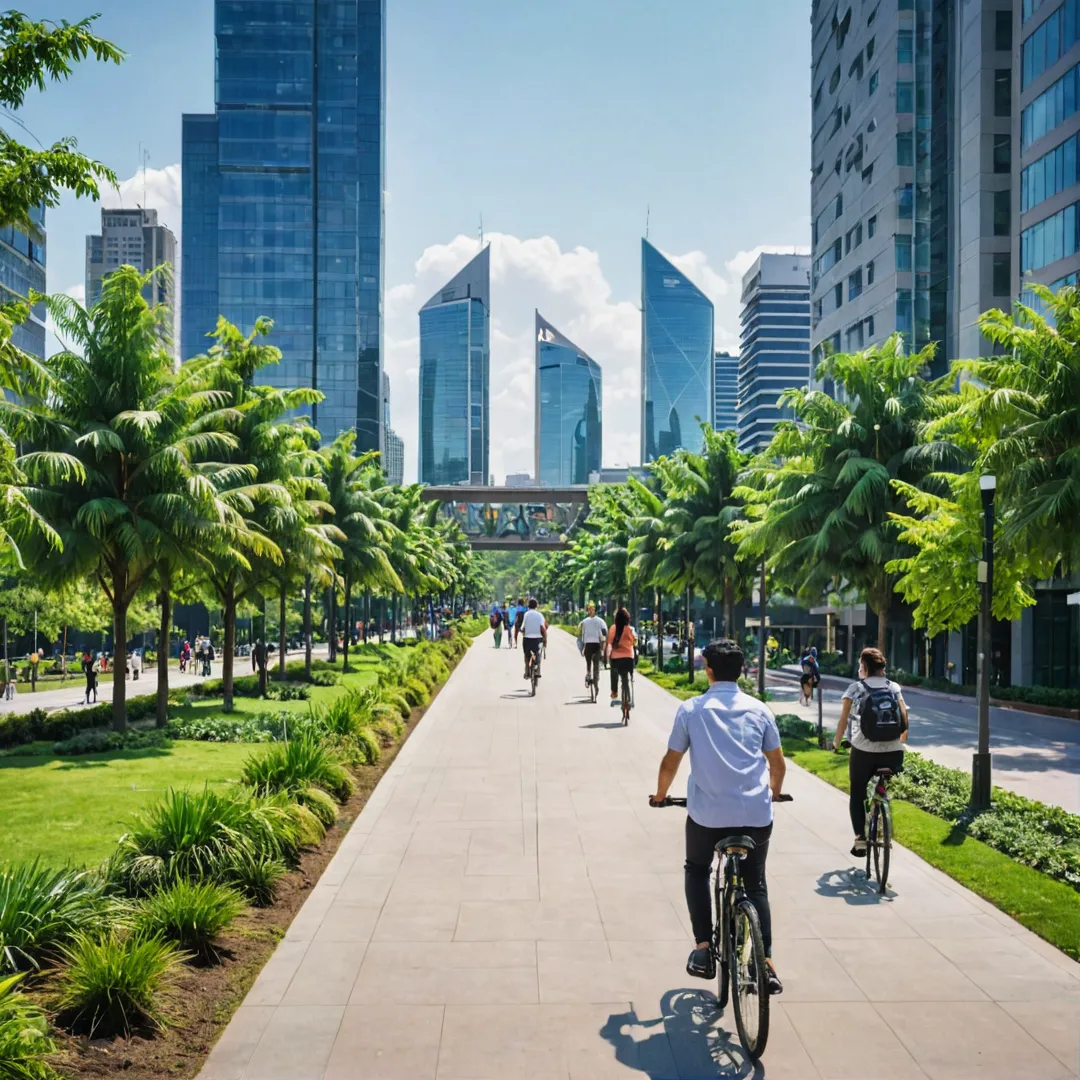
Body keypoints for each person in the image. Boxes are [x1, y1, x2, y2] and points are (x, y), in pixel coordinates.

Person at [649, 639, 787, 994]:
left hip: (708, 818)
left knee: (697, 869)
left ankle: (703, 948)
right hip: (756, 817)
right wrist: (774, 791)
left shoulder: (692, 710)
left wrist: (661, 795)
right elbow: (777, 764)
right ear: (740, 670)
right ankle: (767, 963)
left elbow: (671, 761)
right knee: (755, 884)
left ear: (707, 670)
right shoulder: (760, 710)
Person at [833, 646, 909, 857]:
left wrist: (836, 742)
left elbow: (843, 720)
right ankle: (881, 801)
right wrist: (900, 739)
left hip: (864, 752)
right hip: (894, 753)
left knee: (857, 793)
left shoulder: (856, 688)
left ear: (864, 666)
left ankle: (860, 838)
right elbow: (904, 716)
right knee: (883, 781)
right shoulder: (893, 687)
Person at [606, 607, 637, 705]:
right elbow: (634, 641)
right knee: (628, 674)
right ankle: (631, 676)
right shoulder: (629, 629)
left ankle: (614, 692)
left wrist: (607, 659)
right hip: (629, 659)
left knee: (613, 673)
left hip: (616, 660)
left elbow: (609, 644)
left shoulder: (613, 628)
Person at [578, 603, 608, 692]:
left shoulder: (583, 622)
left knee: (588, 663)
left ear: (588, 611)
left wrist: (582, 648)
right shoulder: (600, 621)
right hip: (597, 645)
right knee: (596, 664)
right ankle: (596, 680)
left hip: (588, 645)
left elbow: (580, 635)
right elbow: (605, 632)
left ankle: (588, 675)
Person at [520, 598, 547, 680]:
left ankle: (527, 671)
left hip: (527, 639)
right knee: (538, 654)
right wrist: (545, 640)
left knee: (527, 655)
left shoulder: (526, 614)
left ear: (528, 606)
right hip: (538, 639)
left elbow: (523, 627)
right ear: (537, 606)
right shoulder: (540, 615)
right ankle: (538, 670)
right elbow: (543, 628)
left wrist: (522, 630)